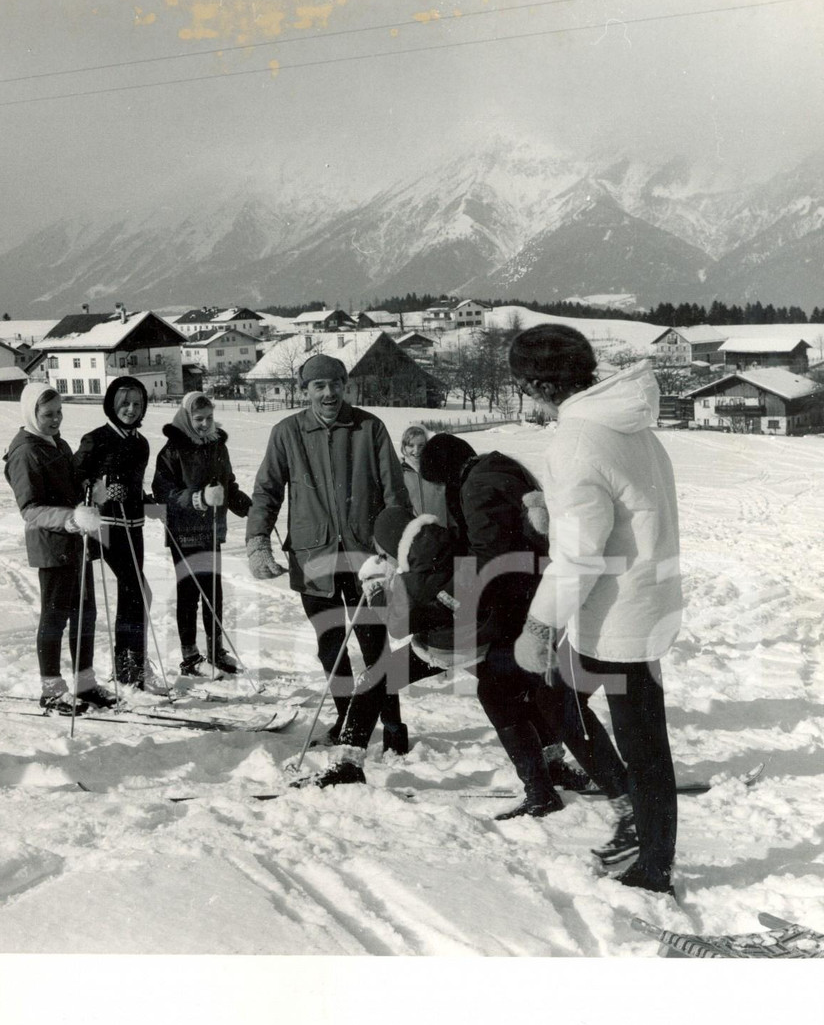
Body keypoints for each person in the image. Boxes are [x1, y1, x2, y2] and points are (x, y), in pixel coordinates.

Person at [303, 437, 632, 829]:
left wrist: (385, 593)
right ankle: (552, 768)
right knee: (521, 696)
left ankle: (348, 762)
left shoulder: (470, 499)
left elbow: (407, 618)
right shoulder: (492, 484)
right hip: (503, 620)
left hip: (462, 636)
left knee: (381, 680)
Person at [508, 324, 683, 895]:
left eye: (524, 386)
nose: (526, 397)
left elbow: (581, 555)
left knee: (641, 741)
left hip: (617, 613)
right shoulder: (625, 422)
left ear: (540, 384)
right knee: (560, 700)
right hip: (639, 599)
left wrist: (539, 624)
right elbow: (616, 511)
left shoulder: (577, 439)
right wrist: (554, 517)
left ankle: (652, 866)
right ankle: (635, 817)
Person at [246, 353, 411, 752]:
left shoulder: (369, 427)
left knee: (375, 645)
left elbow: (395, 493)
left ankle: (393, 727)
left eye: (335, 383)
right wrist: (257, 542)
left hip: (364, 557)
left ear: (345, 386)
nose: (329, 392)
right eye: (318, 385)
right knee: (330, 647)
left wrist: (396, 548)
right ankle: (346, 721)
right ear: (305, 390)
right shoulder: (287, 432)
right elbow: (266, 491)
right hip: (312, 556)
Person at [3, 382, 115, 714]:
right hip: (52, 546)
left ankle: (85, 683)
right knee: (55, 617)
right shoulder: (25, 452)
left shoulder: (58, 443)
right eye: (48, 414)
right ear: (31, 413)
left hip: (78, 542)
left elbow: (70, 484)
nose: (56, 419)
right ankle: (51, 690)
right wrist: (70, 518)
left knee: (85, 614)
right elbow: (30, 509)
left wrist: (89, 491)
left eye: (59, 412)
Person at [152, 391, 251, 676]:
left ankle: (215, 650)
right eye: (198, 419)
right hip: (183, 533)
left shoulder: (217, 446)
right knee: (189, 594)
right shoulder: (172, 450)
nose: (205, 424)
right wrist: (199, 498)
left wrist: (249, 508)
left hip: (211, 531)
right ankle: (190, 656)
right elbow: (163, 493)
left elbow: (228, 485)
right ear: (186, 418)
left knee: (214, 593)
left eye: (209, 418)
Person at [73, 378, 152, 690]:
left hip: (134, 526)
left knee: (135, 593)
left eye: (137, 404)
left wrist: (148, 501)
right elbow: (75, 478)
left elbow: (135, 485)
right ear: (111, 405)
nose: (131, 410)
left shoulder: (141, 443)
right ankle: (128, 667)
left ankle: (133, 664)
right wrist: (98, 488)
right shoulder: (96, 439)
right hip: (105, 527)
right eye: (124, 404)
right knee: (136, 591)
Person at [399, 424, 447, 526]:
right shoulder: (399, 473)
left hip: (439, 529)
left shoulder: (438, 470)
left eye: (421, 445)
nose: (416, 450)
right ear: (404, 447)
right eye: (411, 445)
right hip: (413, 531)